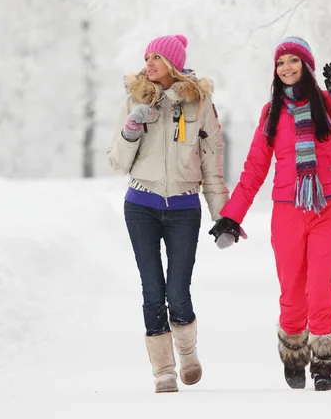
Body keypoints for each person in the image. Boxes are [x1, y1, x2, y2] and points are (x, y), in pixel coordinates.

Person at [209, 36, 331, 391]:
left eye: (293, 61)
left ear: (306, 66)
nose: (286, 68)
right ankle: (294, 352)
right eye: (281, 62)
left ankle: (325, 361)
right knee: (292, 292)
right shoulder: (271, 113)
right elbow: (255, 168)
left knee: (320, 286)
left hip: (328, 207)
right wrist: (231, 216)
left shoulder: (329, 105)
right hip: (287, 211)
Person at [107, 34, 230, 393]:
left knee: (178, 291)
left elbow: (212, 160)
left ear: (173, 63)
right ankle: (163, 370)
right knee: (151, 289)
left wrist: (223, 217)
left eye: (156, 57)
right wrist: (132, 128)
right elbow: (117, 162)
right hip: (141, 205)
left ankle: (187, 352)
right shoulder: (134, 98)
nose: (148, 64)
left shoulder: (199, 102)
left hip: (183, 208)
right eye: (147, 57)